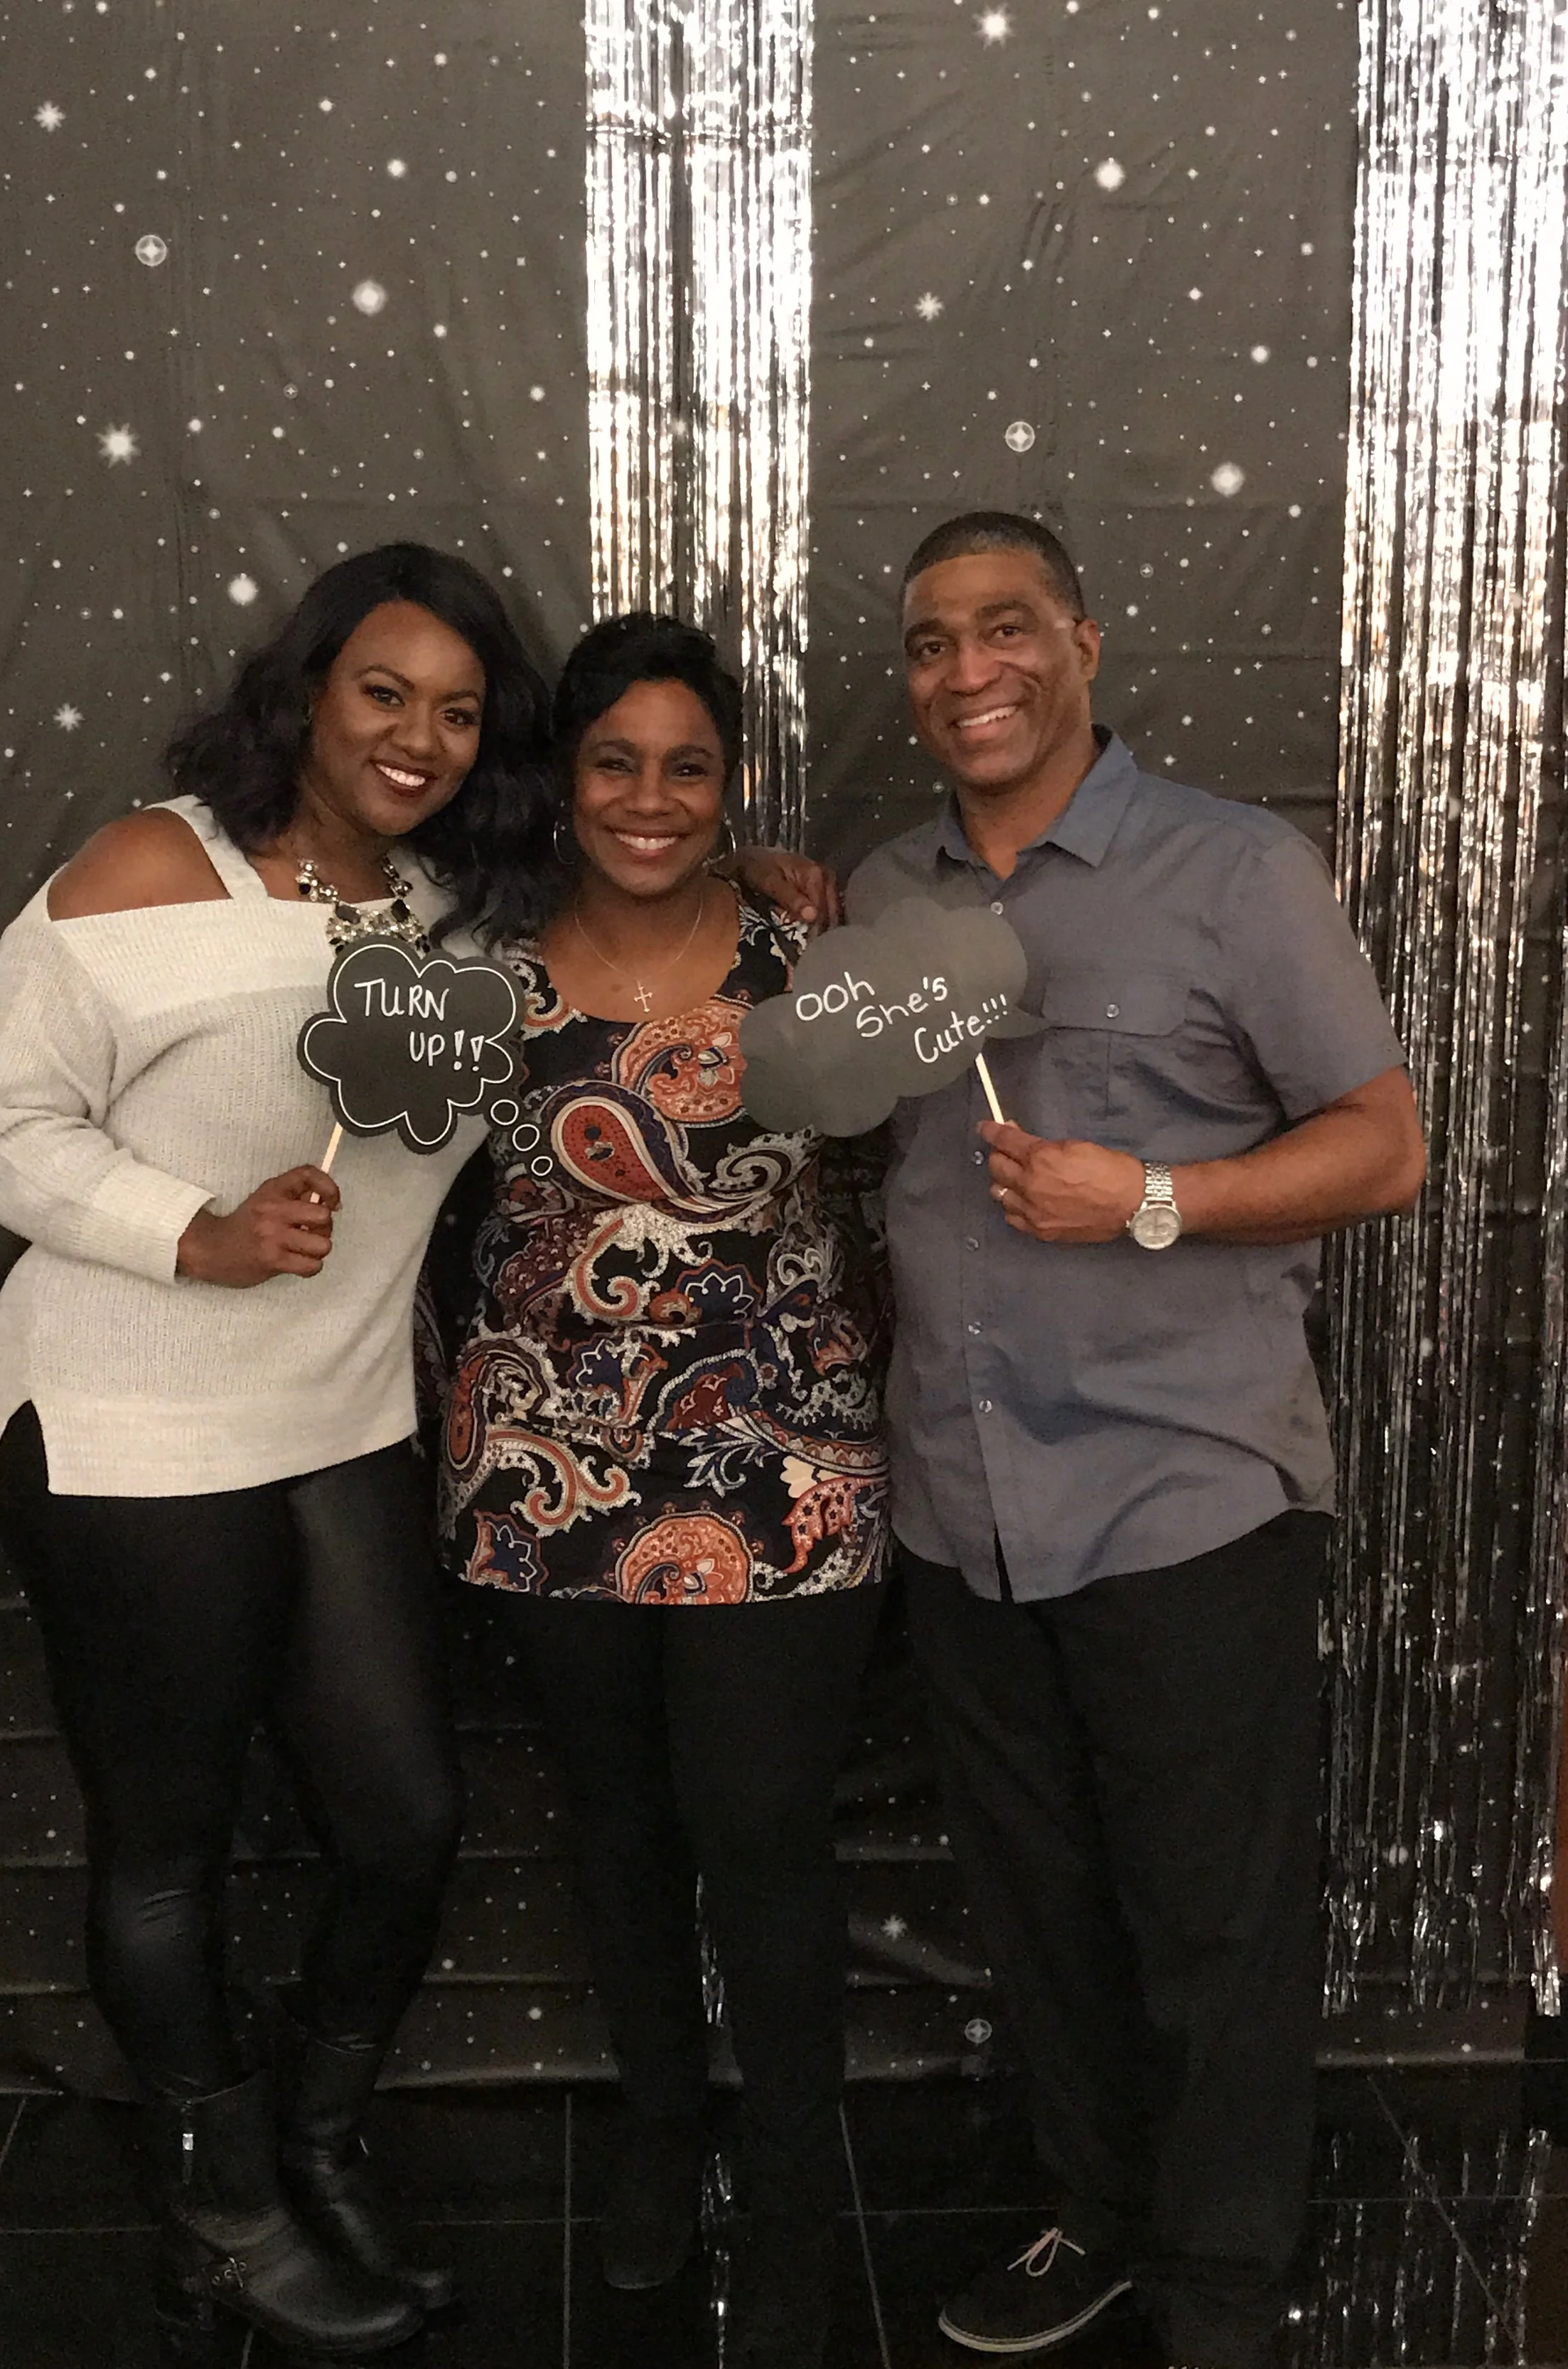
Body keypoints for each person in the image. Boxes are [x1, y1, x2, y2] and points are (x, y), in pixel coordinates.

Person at [0, 542, 563, 2358]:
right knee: (167, 1844)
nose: (418, 737)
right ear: (306, 688)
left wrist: (762, 878)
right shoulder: (151, 865)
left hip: (340, 1412)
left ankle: (313, 2141)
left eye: (459, 711)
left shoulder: (459, 914)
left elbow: (625, 948)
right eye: (384, 692)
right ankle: (219, 2209)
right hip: (128, 1415)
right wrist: (187, 1224)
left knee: (402, 1815)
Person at [847, 512, 1427, 2369]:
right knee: (1038, 1912)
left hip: (1180, 1489)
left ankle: (1223, 2282)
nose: (966, 669)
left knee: (1212, 1918)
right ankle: (1096, 2214)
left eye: (1002, 627)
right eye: (931, 642)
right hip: (961, 1504)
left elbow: (1383, 1140)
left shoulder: (1230, 871)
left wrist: (1153, 1197)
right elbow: (841, 1103)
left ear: (1081, 643)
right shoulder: (884, 895)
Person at [438, 613, 888, 2369]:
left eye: (685, 763)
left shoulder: (816, 949)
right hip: (544, 1467)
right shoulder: (475, 963)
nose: (646, 795)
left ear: (729, 782)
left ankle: (789, 2185)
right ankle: (656, 2130)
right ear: (560, 773)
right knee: (616, 1829)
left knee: (762, 1833)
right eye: (612, 759)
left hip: (783, 1461)